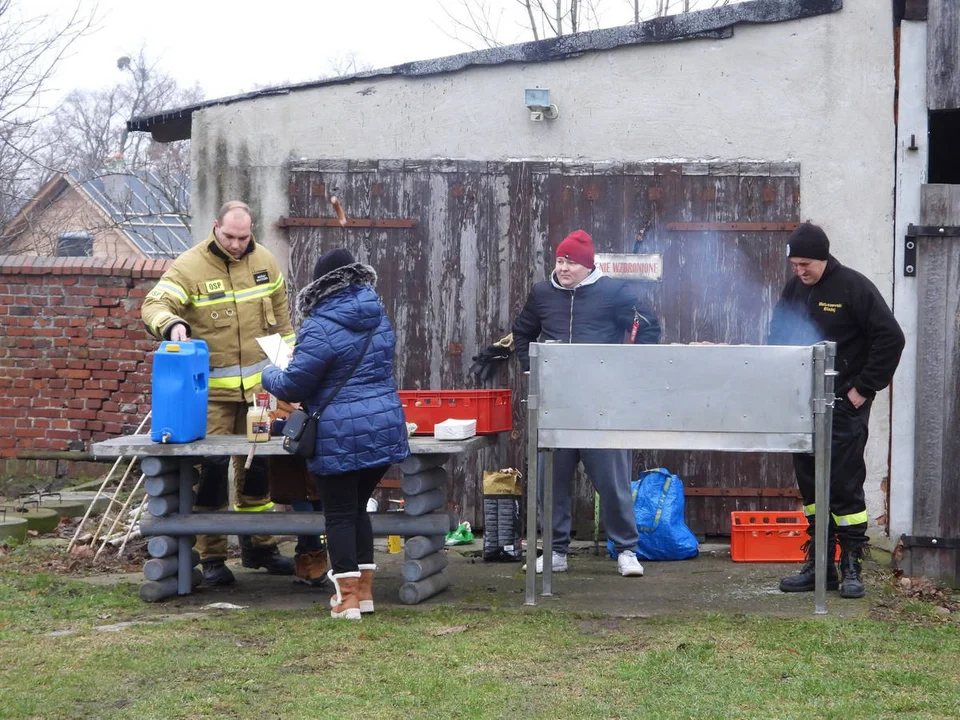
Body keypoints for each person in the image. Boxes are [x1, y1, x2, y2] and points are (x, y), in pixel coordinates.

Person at [141, 200, 296, 586]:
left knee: (257, 468)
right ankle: (212, 558)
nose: (237, 244)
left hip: (262, 390)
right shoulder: (190, 266)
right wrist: (172, 324)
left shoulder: (266, 262)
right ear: (215, 227)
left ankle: (260, 547)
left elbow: (284, 323)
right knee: (210, 470)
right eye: (229, 236)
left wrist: (292, 371)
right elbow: (154, 303)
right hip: (210, 395)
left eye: (244, 237)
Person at [262, 248, 410, 620]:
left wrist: (268, 373)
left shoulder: (319, 324)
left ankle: (346, 602)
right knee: (358, 510)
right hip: (383, 426)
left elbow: (294, 386)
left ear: (320, 284)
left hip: (340, 431)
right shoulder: (378, 316)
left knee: (340, 515)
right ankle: (364, 594)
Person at [512, 229, 661, 577]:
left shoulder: (614, 292)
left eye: (572, 263)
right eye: (561, 260)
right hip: (555, 404)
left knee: (613, 481)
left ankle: (626, 550)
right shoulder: (542, 293)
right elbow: (523, 332)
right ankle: (554, 551)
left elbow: (647, 326)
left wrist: (632, 369)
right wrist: (530, 368)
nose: (564, 268)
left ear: (588, 266)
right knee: (551, 481)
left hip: (602, 405)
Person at [769, 222, 904, 599]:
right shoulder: (794, 290)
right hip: (803, 406)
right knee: (811, 489)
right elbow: (777, 336)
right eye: (795, 264)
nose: (800, 271)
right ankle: (820, 568)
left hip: (844, 405)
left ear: (824, 258)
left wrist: (863, 389)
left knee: (844, 488)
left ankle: (851, 568)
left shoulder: (854, 287)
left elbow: (891, 338)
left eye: (806, 264)